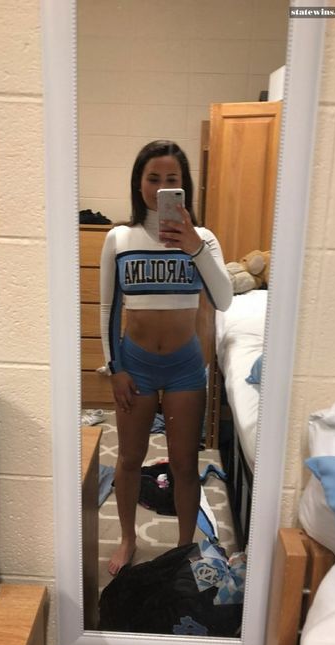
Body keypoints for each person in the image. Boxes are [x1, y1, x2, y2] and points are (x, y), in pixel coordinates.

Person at [100, 140, 232, 575]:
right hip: (135, 365)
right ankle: (128, 539)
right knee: (128, 459)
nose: (160, 187)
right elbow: (109, 309)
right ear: (138, 183)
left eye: (170, 180)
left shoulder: (203, 239)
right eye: (152, 178)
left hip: (184, 368)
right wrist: (115, 369)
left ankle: (183, 548)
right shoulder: (119, 238)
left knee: (184, 464)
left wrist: (194, 246)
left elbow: (224, 299)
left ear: (183, 185)